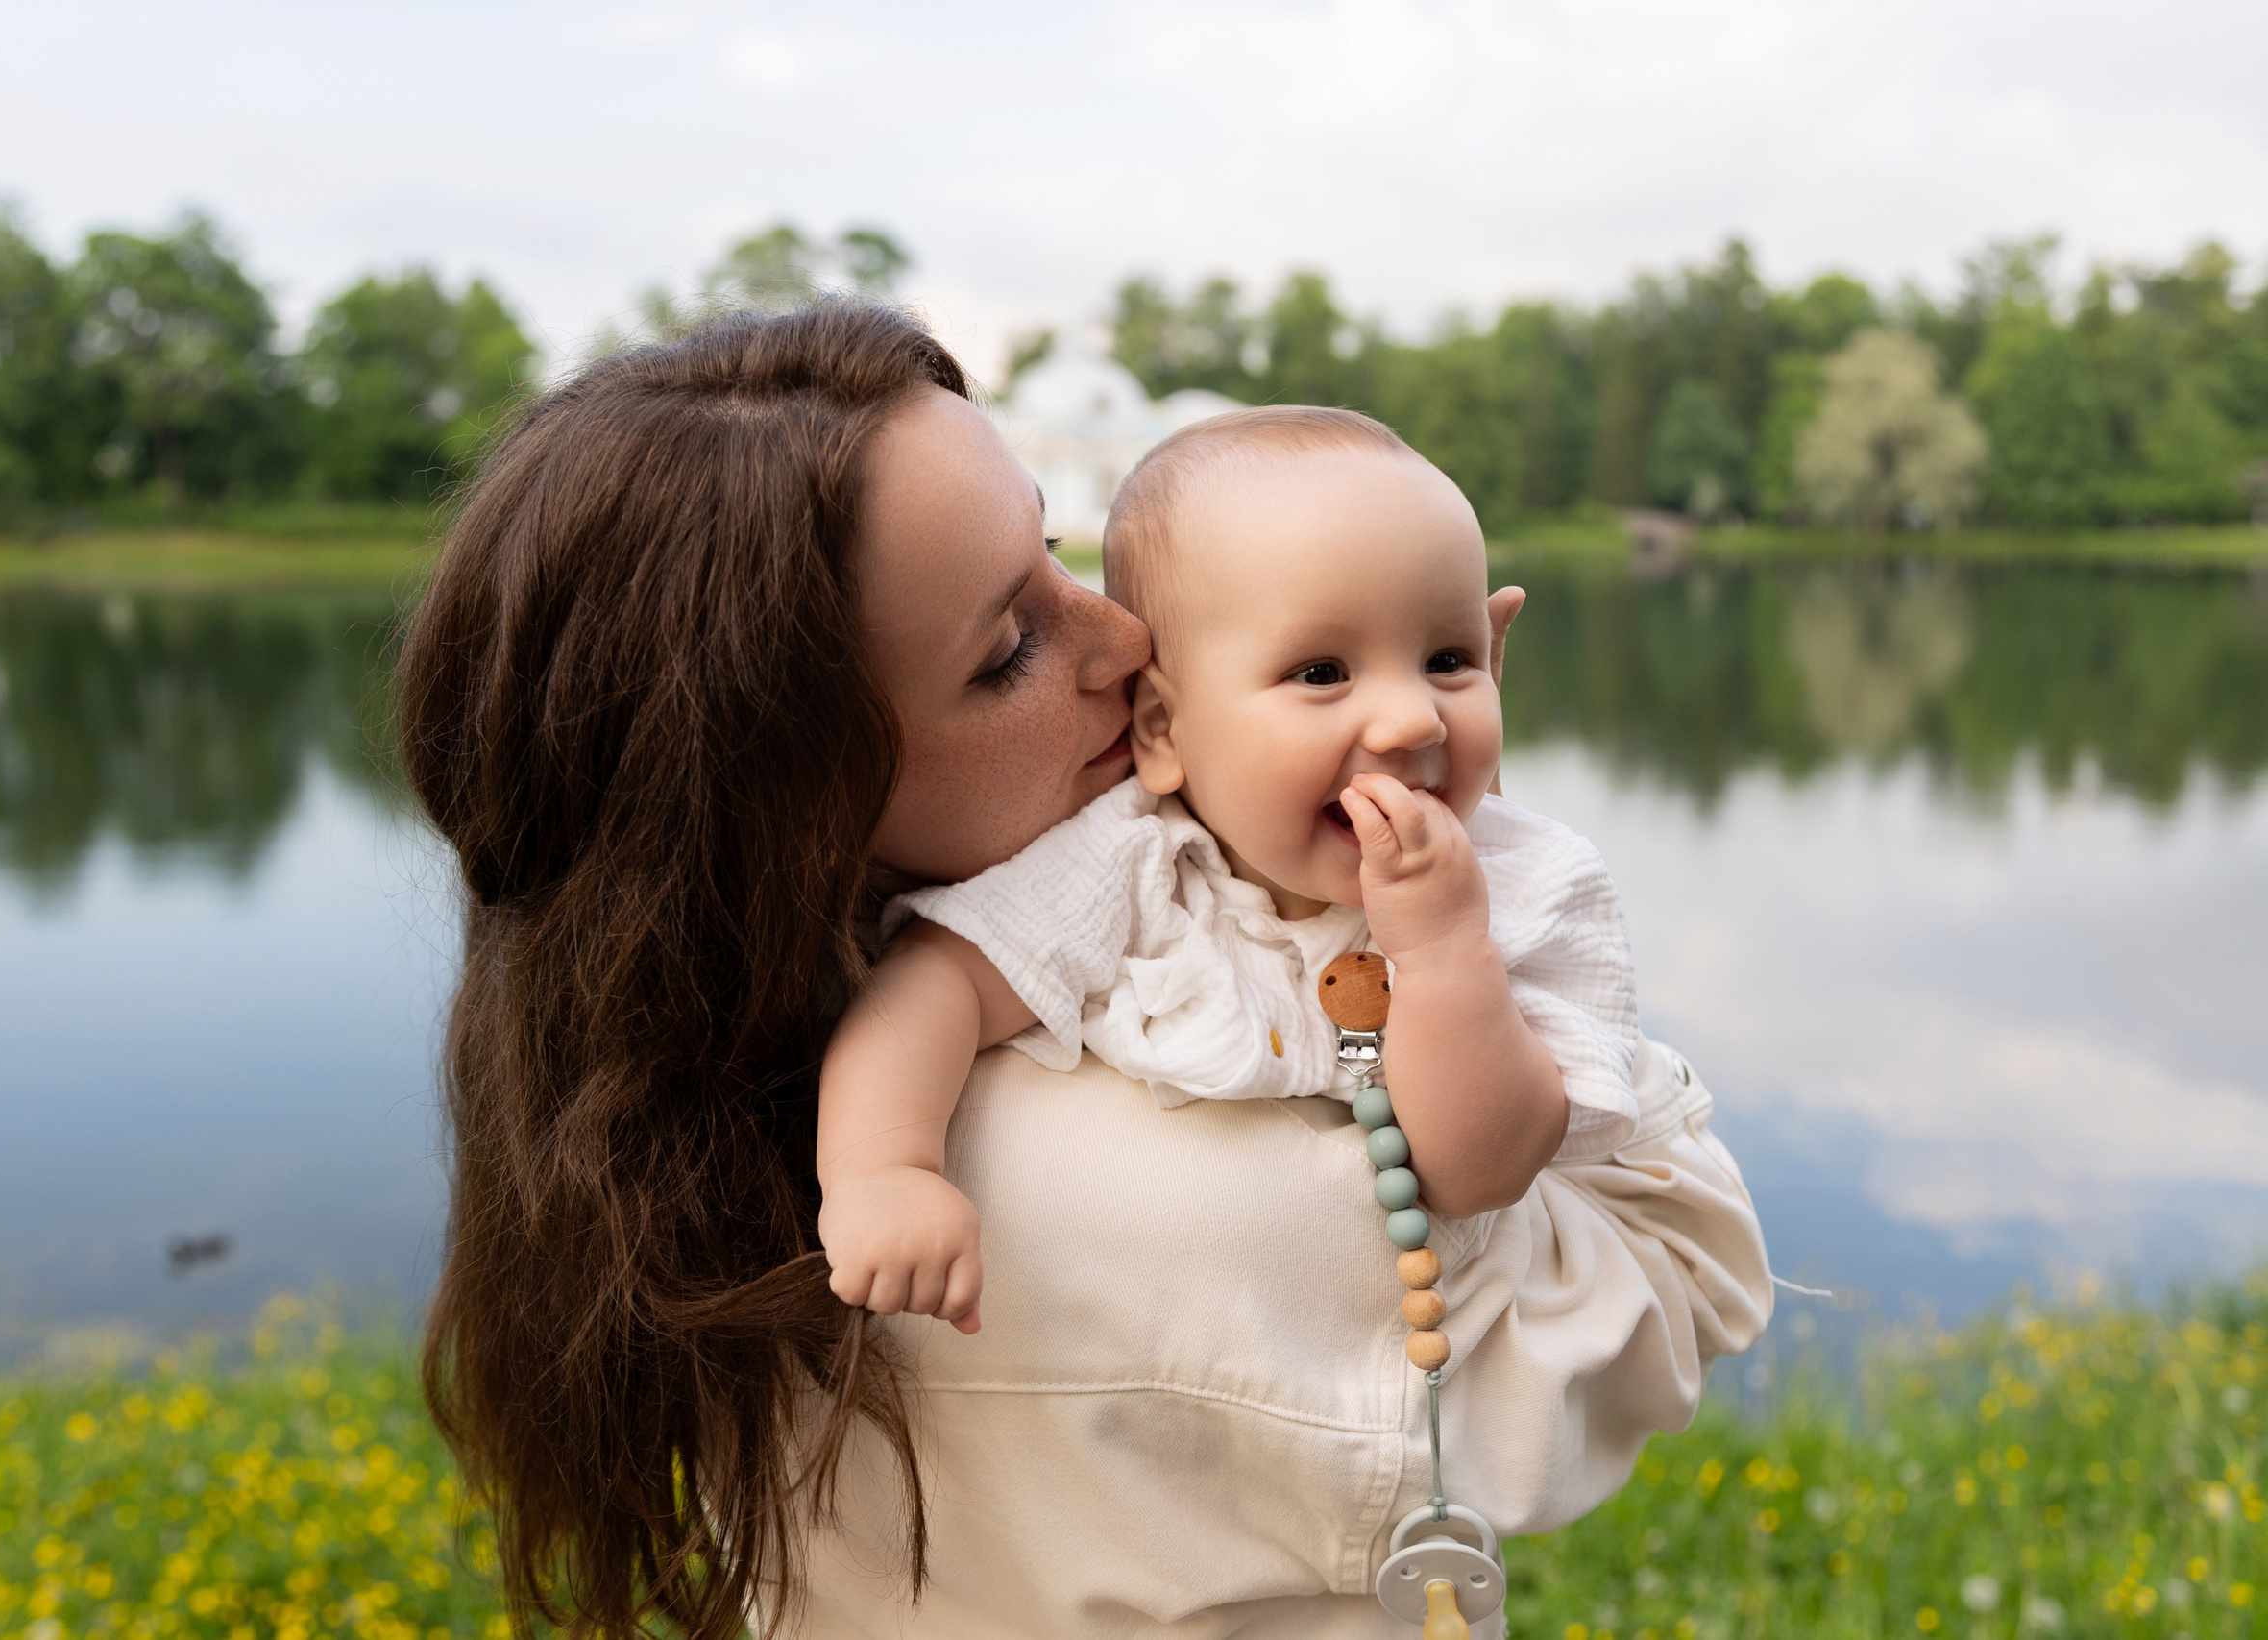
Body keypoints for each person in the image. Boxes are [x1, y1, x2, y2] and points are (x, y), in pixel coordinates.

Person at [398, 303, 1771, 1640]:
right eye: (1008, 647)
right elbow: (1633, 1325)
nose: (1128, 640)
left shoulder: (660, 1142)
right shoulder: (1139, 1171)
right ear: (792, 809)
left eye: (1059, 550)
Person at [817, 408, 1644, 1356]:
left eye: (1448, 660)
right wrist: (883, 1169)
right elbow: (941, 982)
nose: (1412, 720)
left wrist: (1445, 954)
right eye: (1323, 672)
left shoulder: (1525, 884)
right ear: (1165, 731)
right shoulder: (1133, 861)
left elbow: (1479, 1173)